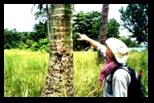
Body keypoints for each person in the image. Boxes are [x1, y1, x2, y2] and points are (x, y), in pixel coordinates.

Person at [76, 33, 131, 97]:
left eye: (107, 47)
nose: (105, 48)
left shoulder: (119, 75)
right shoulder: (112, 62)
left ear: (111, 54)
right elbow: (99, 46)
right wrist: (87, 38)